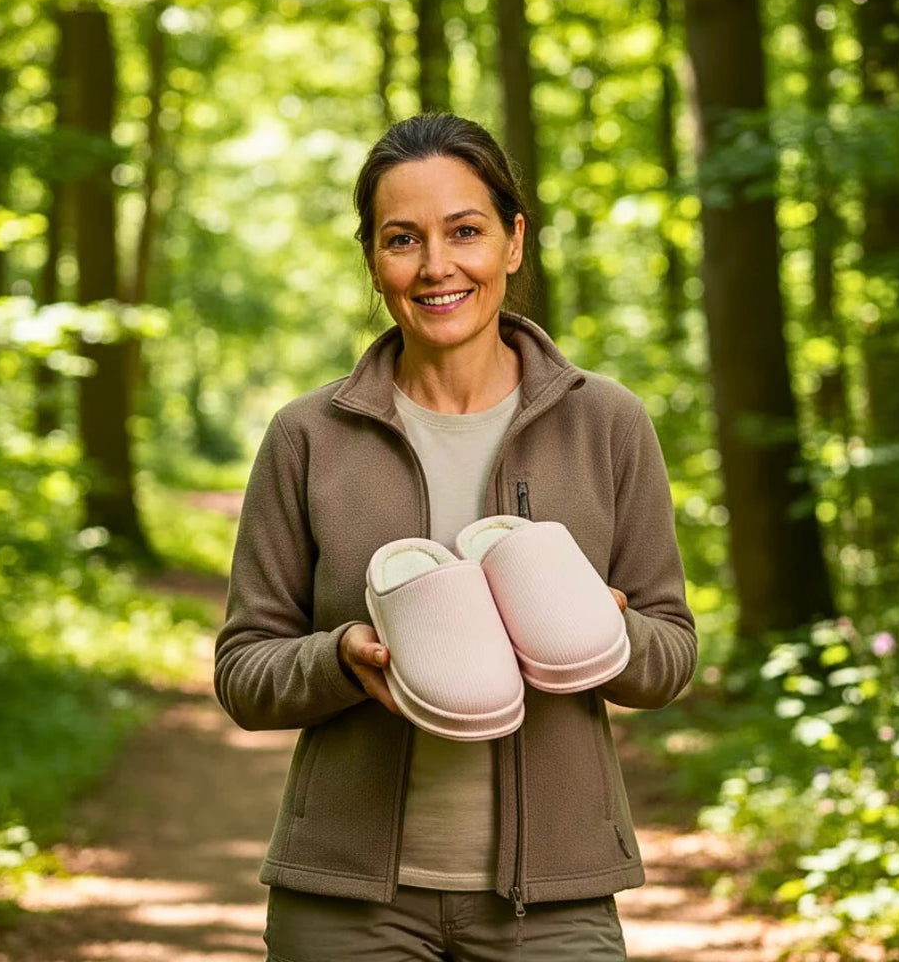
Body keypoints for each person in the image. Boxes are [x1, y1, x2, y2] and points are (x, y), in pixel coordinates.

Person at [214, 113, 697, 962]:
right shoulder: (308, 436)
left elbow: (673, 655)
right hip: (345, 904)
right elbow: (244, 671)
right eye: (403, 239)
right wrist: (342, 660)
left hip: (554, 904)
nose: (437, 266)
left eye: (465, 231)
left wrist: (605, 632)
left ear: (514, 242)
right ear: (374, 261)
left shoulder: (606, 423)